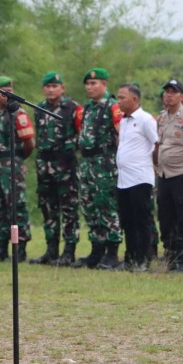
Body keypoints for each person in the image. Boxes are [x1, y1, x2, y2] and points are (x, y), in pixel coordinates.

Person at [29, 72, 83, 266]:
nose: (51, 90)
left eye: (55, 86)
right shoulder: (39, 108)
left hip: (66, 166)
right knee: (48, 209)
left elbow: (82, 135)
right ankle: (51, 250)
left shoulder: (73, 108)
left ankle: (69, 251)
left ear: (62, 88)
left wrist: (68, 147)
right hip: (45, 166)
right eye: (48, 86)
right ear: (43, 89)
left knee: (69, 209)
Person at [74, 67, 123, 269]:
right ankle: (97, 249)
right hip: (87, 163)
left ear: (104, 84)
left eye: (94, 83)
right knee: (89, 206)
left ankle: (112, 252)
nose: (90, 87)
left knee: (107, 207)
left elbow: (121, 135)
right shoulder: (87, 109)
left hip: (105, 163)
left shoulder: (113, 107)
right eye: (87, 83)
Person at [0, 76, 35, 262]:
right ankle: (1, 247)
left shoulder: (18, 113)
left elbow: (29, 143)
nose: (6, 95)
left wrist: (17, 160)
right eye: (2, 91)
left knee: (16, 207)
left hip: (11, 165)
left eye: (9, 91)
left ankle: (20, 249)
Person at [155, 79, 183, 272]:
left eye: (173, 92)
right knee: (165, 216)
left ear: (182, 96)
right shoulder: (161, 118)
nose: (169, 95)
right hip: (164, 174)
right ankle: (171, 254)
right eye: (166, 92)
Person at [113, 84, 159, 271]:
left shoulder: (145, 119)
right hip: (124, 179)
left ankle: (143, 259)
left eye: (122, 97)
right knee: (127, 220)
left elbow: (157, 143)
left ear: (135, 99)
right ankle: (131, 258)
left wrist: (152, 166)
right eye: (118, 97)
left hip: (140, 177)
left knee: (142, 219)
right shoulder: (123, 121)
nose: (119, 101)